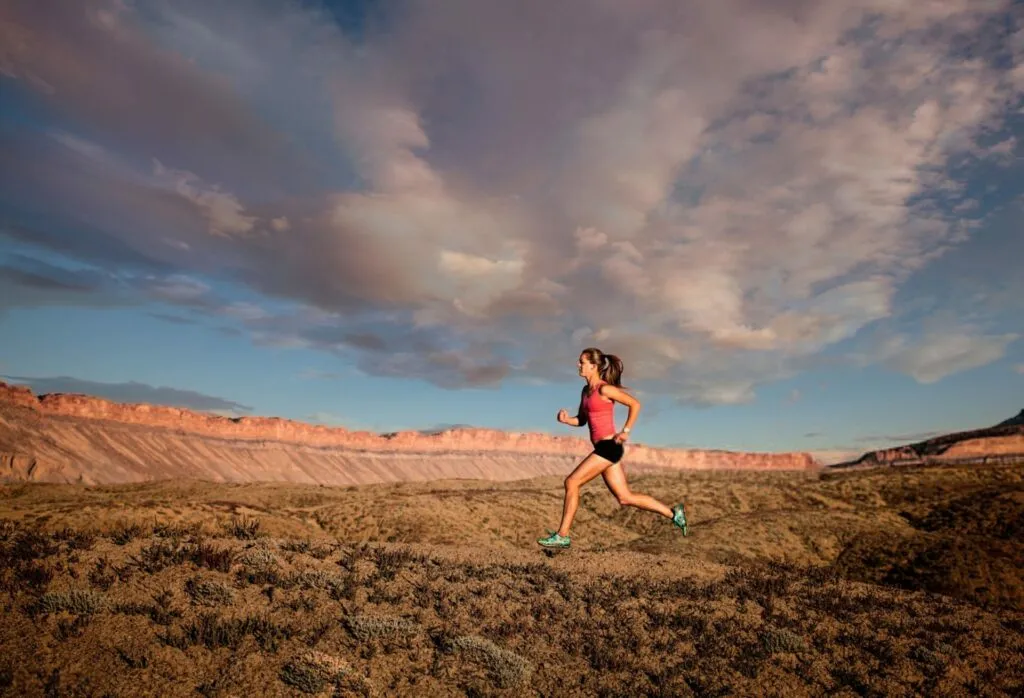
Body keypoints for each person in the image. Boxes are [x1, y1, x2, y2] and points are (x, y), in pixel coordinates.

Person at [537, 347, 688, 549]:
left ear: (594, 366)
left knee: (571, 482)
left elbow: (635, 404)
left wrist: (626, 430)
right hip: (604, 449)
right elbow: (582, 420)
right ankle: (673, 513)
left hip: (609, 447)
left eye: (582, 362)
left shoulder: (604, 389)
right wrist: (566, 420)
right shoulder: (585, 392)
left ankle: (563, 535)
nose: (578, 365)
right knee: (625, 498)